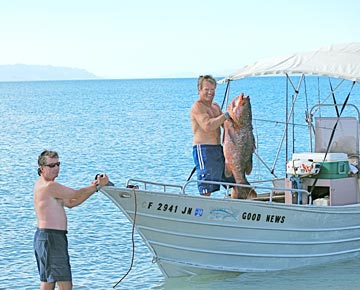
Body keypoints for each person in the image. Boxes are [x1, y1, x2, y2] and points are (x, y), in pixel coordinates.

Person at [33, 150, 109, 290]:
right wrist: (97, 185)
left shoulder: (46, 185)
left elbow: (72, 202)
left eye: (58, 164)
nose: (56, 168)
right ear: (41, 168)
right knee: (64, 284)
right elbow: (75, 193)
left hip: (48, 238)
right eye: (51, 166)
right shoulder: (50, 186)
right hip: (51, 238)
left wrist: (95, 188)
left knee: (49, 281)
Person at [190, 75, 234, 195]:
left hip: (218, 149)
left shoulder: (215, 106)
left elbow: (225, 125)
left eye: (212, 89)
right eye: (207, 89)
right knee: (206, 185)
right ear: (199, 90)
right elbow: (207, 126)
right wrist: (225, 115)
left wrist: (236, 117)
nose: (210, 92)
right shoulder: (197, 107)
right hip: (203, 149)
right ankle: (204, 208)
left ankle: (237, 203)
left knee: (232, 179)